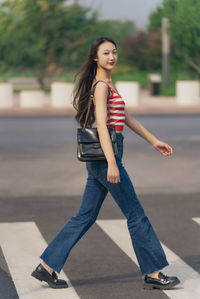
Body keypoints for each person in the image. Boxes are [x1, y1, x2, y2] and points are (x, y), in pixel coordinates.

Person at [31, 37, 180, 290]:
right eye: (106, 53)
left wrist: (153, 141)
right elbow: (101, 125)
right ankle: (153, 273)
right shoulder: (100, 86)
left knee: (85, 216)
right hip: (106, 156)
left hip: (107, 154)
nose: (111, 57)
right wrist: (112, 162)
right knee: (135, 213)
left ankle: (46, 267)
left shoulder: (109, 84)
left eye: (114, 52)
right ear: (95, 58)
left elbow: (126, 118)